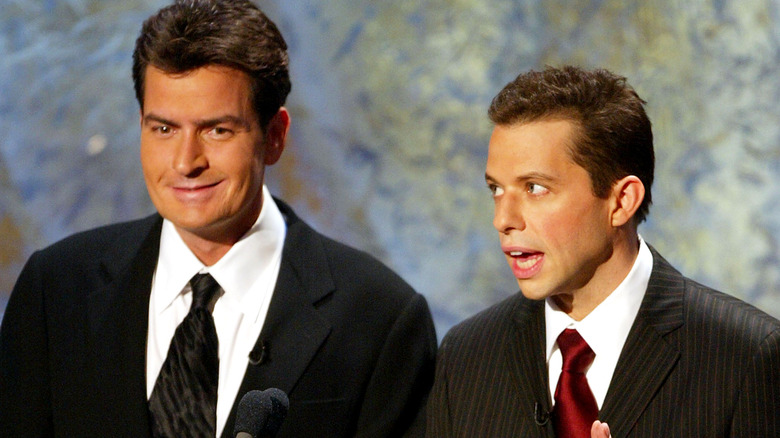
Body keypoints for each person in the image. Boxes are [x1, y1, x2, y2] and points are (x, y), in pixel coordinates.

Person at [0, 1, 437, 437]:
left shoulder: (379, 319)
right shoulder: (55, 289)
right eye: (164, 129)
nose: (186, 162)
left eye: (217, 130)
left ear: (275, 137)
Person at [426, 65, 780, 437]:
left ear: (621, 201)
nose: (503, 219)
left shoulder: (744, 359)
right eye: (496, 189)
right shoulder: (467, 357)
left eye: (534, 188)